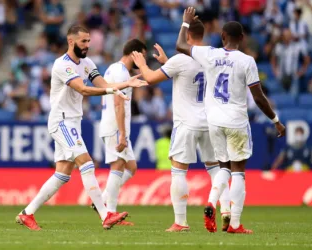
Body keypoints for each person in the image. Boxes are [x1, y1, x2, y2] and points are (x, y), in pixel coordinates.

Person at [15, 25, 147, 231]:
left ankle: (27, 213)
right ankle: (106, 215)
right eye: (83, 41)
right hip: (61, 121)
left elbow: (102, 83)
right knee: (86, 163)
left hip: (73, 121)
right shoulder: (62, 65)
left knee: (63, 174)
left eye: (88, 41)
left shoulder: (87, 63)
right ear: (71, 41)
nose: (87, 45)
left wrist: (124, 84)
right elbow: (83, 88)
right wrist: (114, 90)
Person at [176, 7, 286, 234]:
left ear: (223, 37)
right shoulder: (247, 61)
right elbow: (258, 97)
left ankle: (210, 201)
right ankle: (235, 223)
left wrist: (186, 23)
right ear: (243, 38)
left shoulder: (210, 53)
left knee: (223, 167)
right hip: (236, 121)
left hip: (214, 121)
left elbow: (181, 46)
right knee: (238, 172)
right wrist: (275, 119)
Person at [131, 19, 231, 232]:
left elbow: (149, 78)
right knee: (215, 170)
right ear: (202, 35)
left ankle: (181, 222)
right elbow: (186, 75)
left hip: (186, 123)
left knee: (178, 171)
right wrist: (167, 62)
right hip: (209, 122)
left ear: (186, 36)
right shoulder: (212, 56)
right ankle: (226, 213)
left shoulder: (180, 60)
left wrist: (141, 64)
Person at [91, 39, 147, 226]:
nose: (142, 62)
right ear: (134, 54)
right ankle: (110, 214)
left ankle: (103, 199)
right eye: (142, 57)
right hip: (116, 125)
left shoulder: (113, 69)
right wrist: (122, 133)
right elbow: (118, 102)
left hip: (114, 124)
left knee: (131, 167)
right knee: (118, 166)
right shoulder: (121, 72)